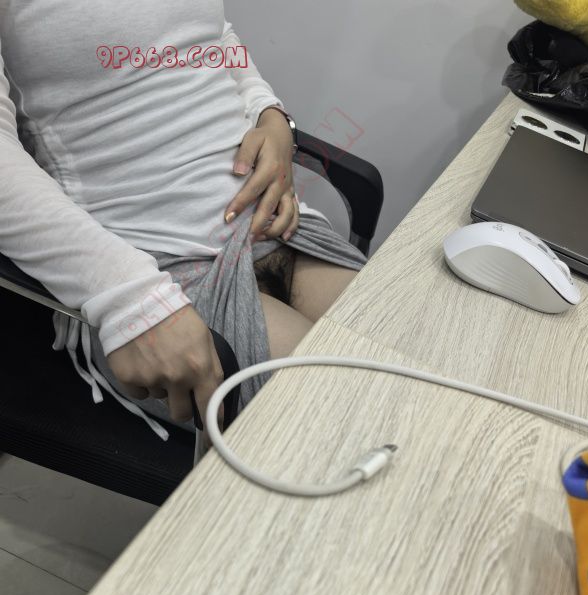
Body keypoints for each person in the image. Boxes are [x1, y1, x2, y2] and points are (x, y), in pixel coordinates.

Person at [0, 1, 367, 442]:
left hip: (273, 217)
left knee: (416, 352)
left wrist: (270, 115)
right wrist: (130, 300)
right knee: (354, 414)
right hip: (151, 267)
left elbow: (208, 35)